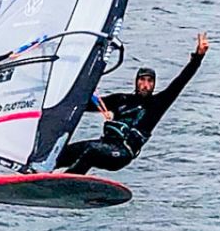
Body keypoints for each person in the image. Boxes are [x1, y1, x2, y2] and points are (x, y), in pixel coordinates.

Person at [57, 32, 210, 176]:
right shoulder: (121, 100)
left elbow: (181, 81)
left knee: (90, 151)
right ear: (136, 82)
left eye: (149, 81)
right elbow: (86, 104)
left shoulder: (157, 104)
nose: (145, 84)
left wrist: (198, 57)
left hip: (122, 153)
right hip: (104, 145)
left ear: (153, 84)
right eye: (142, 80)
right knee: (63, 153)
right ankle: (38, 171)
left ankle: (63, 183)